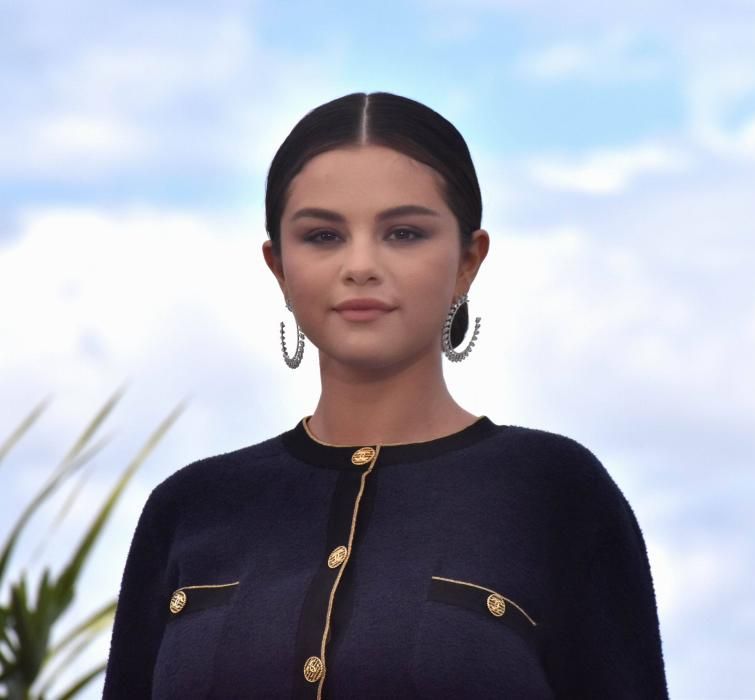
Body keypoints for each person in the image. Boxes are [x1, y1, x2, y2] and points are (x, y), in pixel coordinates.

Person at [102, 91, 669, 699]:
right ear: (279, 268)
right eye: (323, 236)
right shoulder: (192, 508)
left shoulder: (553, 492)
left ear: (467, 261)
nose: (361, 265)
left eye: (403, 233)